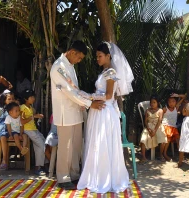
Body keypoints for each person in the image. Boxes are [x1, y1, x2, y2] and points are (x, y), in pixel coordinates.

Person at [77, 42, 133, 193]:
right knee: (96, 143)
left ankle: (106, 178)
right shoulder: (104, 72)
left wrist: (89, 96)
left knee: (103, 143)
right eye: (96, 56)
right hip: (98, 111)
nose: (97, 59)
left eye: (100, 56)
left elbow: (109, 96)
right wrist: (90, 100)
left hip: (105, 113)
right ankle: (96, 176)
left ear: (108, 56)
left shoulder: (111, 73)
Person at [50, 40, 105, 190]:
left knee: (75, 145)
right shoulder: (58, 67)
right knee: (65, 147)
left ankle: (74, 175)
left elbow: (75, 89)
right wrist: (88, 104)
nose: (79, 61)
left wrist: (86, 100)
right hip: (64, 112)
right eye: (79, 57)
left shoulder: (70, 66)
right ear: (73, 52)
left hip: (75, 110)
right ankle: (63, 177)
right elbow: (68, 91)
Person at [20, 89, 50, 175]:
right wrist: (34, 116)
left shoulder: (31, 108)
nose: (33, 98)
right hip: (28, 130)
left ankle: (42, 165)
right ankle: (39, 167)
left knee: (42, 145)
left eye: (33, 97)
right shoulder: (22, 108)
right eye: (31, 97)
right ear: (26, 99)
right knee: (41, 145)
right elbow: (22, 121)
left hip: (34, 130)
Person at [139, 95, 163, 164]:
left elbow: (159, 121)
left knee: (163, 139)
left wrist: (155, 130)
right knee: (143, 139)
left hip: (158, 127)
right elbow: (145, 121)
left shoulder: (160, 110)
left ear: (158, 103)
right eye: (151, 102)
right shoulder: (147, 111)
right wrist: (148, 129)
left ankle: (160, 155)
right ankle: (143, 157)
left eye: (154, 102)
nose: (152, 104)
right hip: (149, 126)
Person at [162, 93, 185, 161]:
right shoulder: (165, 109)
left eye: (173, 101)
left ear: (176, 102)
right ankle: (165, 154)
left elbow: (184, 96)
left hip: (174, 128)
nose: (171, 103)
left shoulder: (176, 107)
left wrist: (177, 95)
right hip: (166, 126)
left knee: (178, 139)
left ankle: (180, 155)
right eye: (169, 101)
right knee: (168, 138)